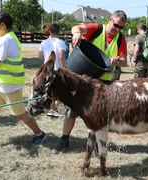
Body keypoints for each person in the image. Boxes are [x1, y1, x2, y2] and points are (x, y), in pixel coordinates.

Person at [51, 10, 128, 154]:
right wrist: (77, 33)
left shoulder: (120, 38)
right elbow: (77, 27)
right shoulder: (98, 29)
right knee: (71, 111)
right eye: (116, 25)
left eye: (121, 27)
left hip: (103, 84)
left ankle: (96, 145)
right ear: (110, 19)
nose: (117, 29)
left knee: (100, 116)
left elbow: (124, 62)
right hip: (84, 80)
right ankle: (64, 139)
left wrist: (117, 60)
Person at [0, 11, 47, 149]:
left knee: (20, 113)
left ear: (2, 24)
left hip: (9, 86)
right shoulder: (6, 38)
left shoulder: (6, 40)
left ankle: (40, 134)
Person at [38, 24, 66, 117]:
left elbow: (39, 56)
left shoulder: (43, 42)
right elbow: (61, 56)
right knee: (62, 91)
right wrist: (64, 68)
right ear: (59, 31)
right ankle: (54, 108)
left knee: (50, 90)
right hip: (57, 69)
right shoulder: (61, 42)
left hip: (47, 70)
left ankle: (50, 107)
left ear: (49, 31)